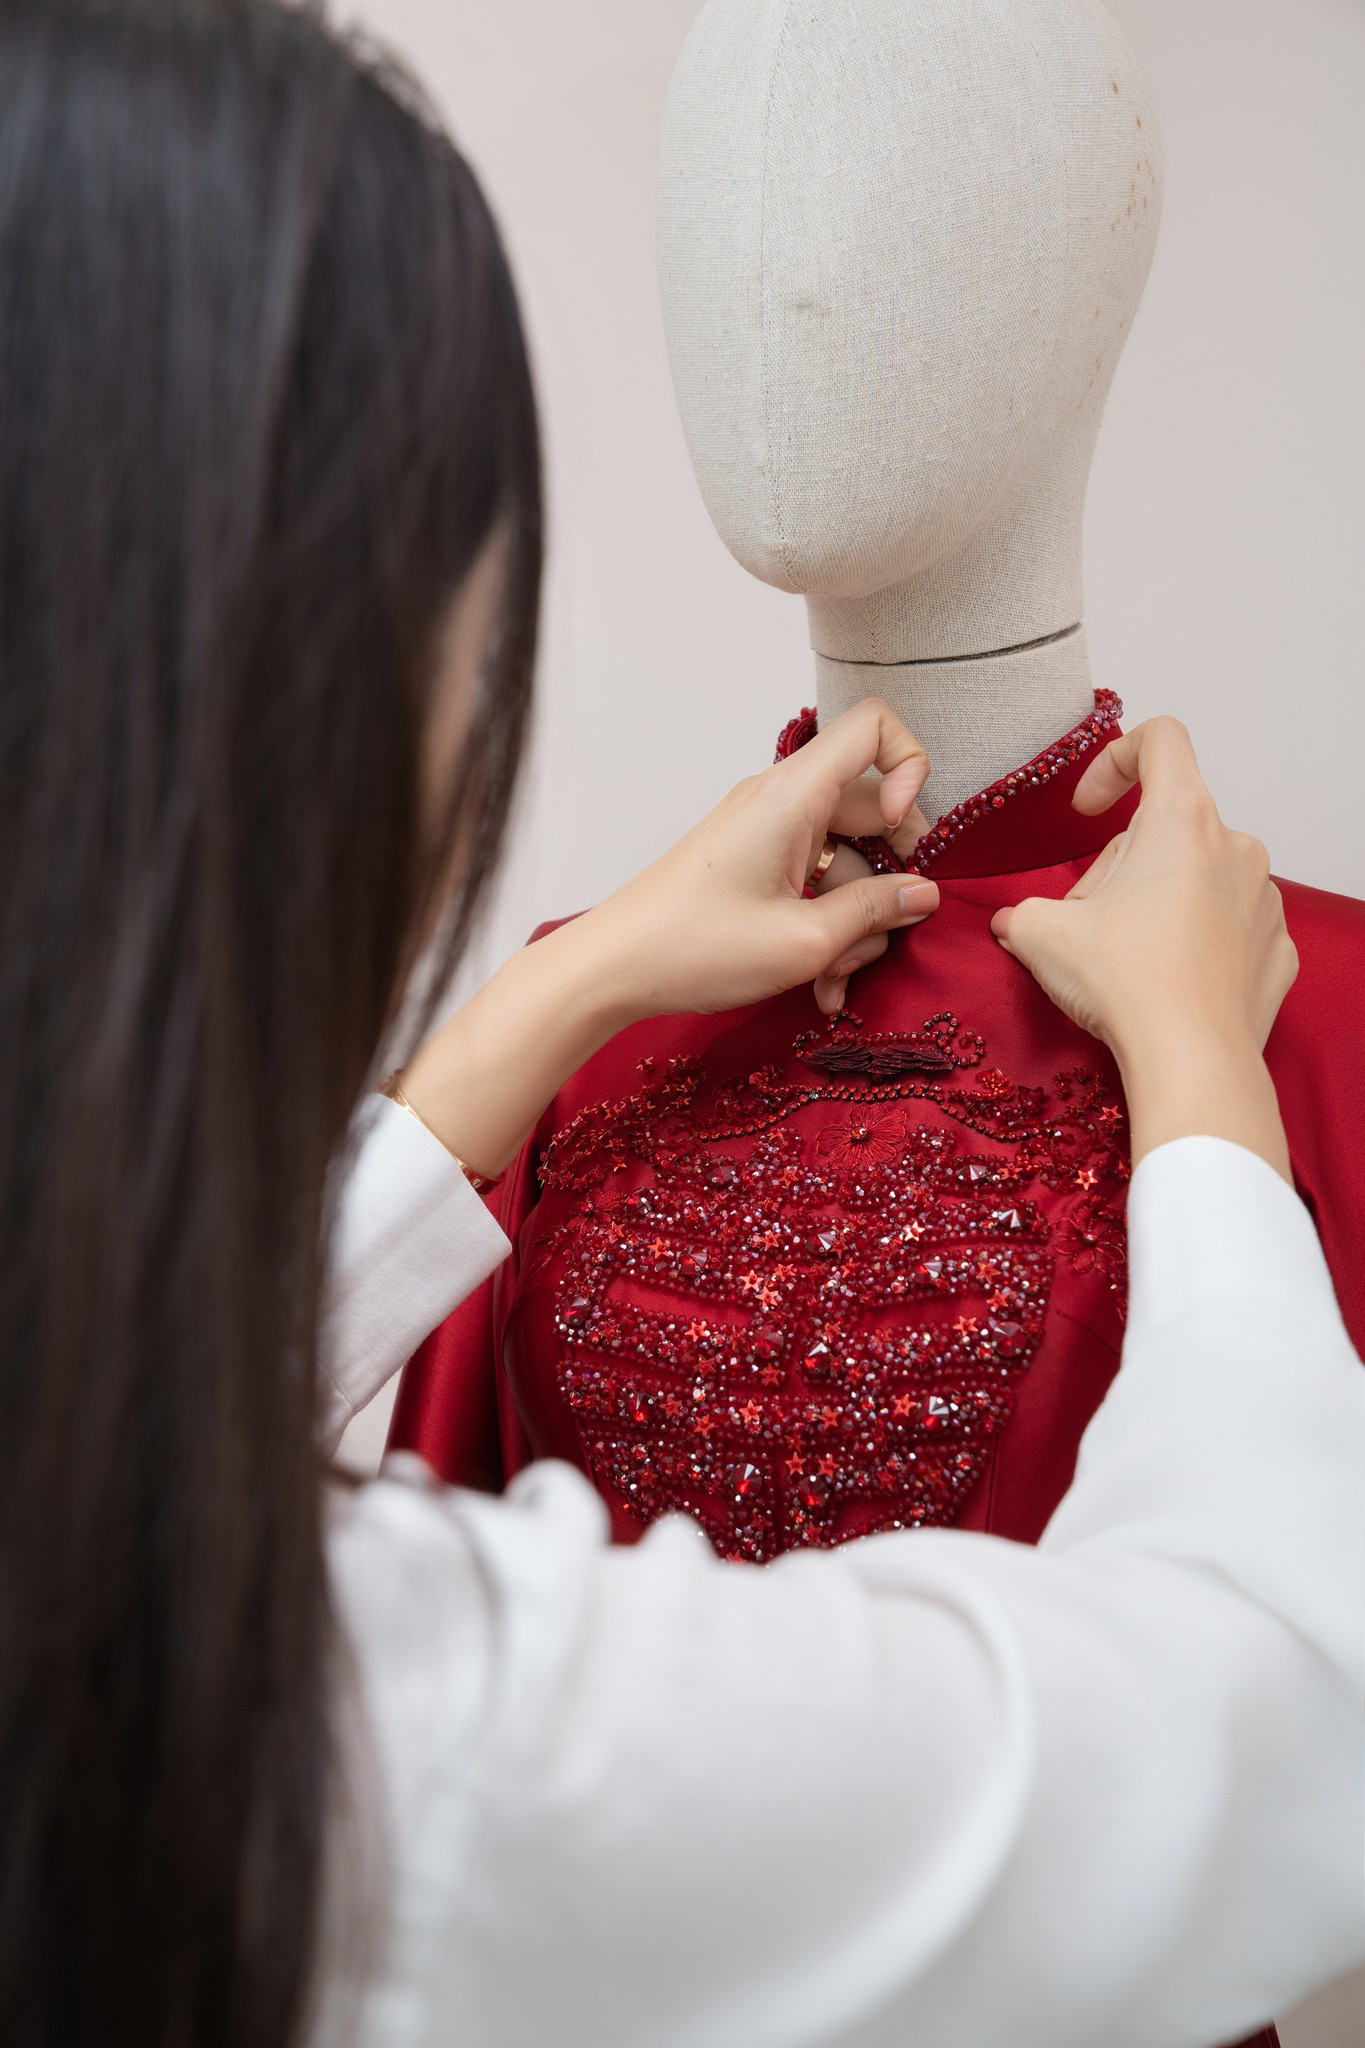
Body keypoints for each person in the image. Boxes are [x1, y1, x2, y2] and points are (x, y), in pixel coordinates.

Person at [0, 8, 1357, 2048]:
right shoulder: (424, 1730)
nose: (787, 280)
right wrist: (1193, 1078)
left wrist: (557, 992)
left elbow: (125, 1454)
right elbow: (1267, 1728)